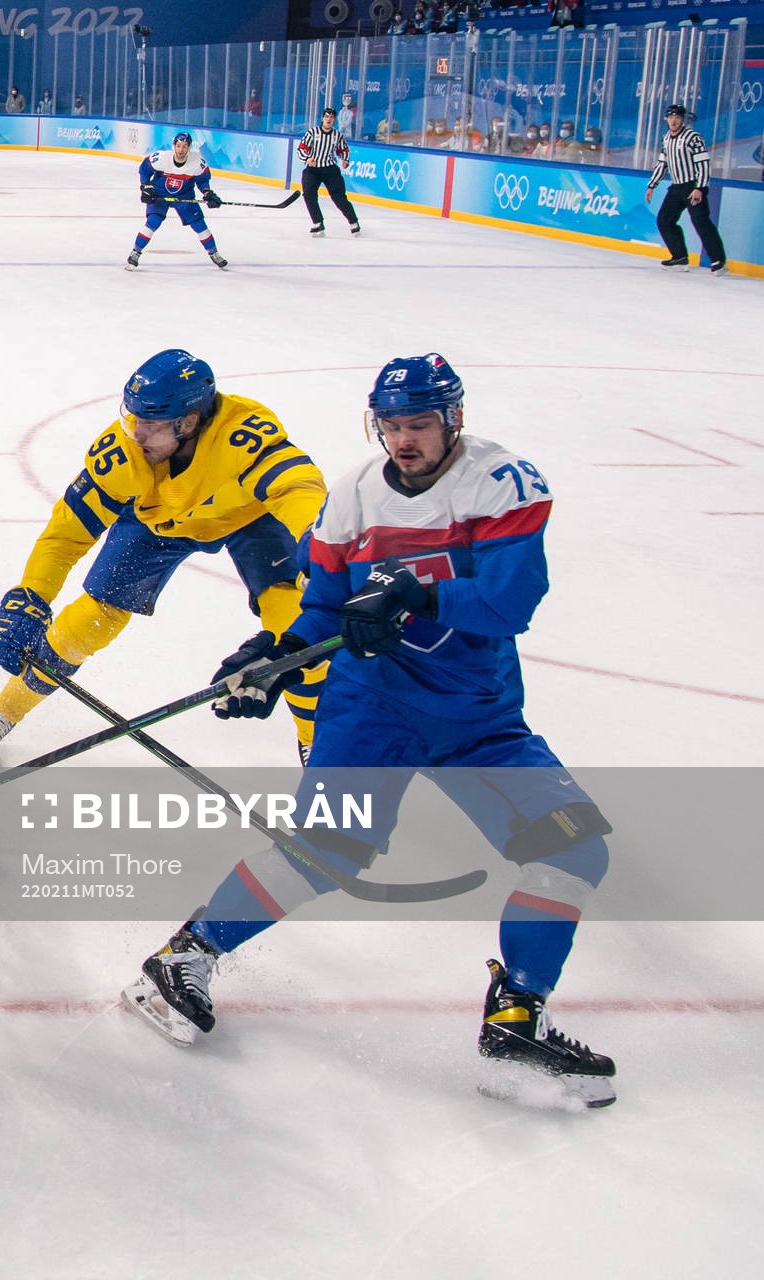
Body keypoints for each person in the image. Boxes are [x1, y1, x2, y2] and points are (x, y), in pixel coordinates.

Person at [126, 354, 618, 1109]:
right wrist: (277, 658)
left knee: (573, 844)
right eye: (390, 425)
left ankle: (518, 1014)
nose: (403, 441)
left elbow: (509, 601)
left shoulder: (499, 482)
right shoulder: (353, 496)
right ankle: (184, 956)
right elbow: (325, 609)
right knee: (326, 850)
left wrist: (415, 594)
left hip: (476, 716)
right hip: (370, 712)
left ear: (453, 418)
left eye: (417, 424)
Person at [0, 349, 326, 766]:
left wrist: (320, 542)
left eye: (150, 424)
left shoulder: (242, 434)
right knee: (88, 623)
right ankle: (5, 711)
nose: (136, 433)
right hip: (159, 523)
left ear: (188, 422)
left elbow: (300, 486)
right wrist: (31, 595)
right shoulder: (123, 452)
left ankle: (319, 739)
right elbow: (67, 532)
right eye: (133, 418)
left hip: (246, 515)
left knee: (294, 615)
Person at [646, 103, 725, 275]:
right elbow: (663, 163)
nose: (673, 121)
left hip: (693, 185)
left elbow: (703, 163)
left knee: (700, 222)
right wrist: (652, 185)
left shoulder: (692, 137)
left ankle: (718, 260)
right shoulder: (666, 138)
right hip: (677, 186)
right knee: (664, 220)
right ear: (666, 119)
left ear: (683, 119)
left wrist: (699, 188)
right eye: (671, 117)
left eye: (677, 117)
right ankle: (679, 257)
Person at [129, 131, 227, 269]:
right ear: (174, 146)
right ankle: (135, 252)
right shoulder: (161, 158)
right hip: (159, 194)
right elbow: (144, 170)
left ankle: (214, 253)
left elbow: (202, 181)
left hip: (184, 196)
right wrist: (145, 186)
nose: (181, 150)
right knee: (153, 222)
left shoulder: (198, 163)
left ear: (189, 148)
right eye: (179, 146)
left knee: (199, 225)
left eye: (185, 146)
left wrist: (207, 193)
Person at [297, 106, 360, 237]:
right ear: (322, 118)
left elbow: (343, 150)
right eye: (326, 116)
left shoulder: (337, 135)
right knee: (309, 194)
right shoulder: (312, 132)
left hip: (330, 170)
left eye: (331, 117)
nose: (329, 119)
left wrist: (345, 160)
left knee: (339, 198)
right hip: (312, 169)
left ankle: (354, 222)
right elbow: (301, 149)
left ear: (334, 120)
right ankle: (318, 222)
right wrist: (307, 158)